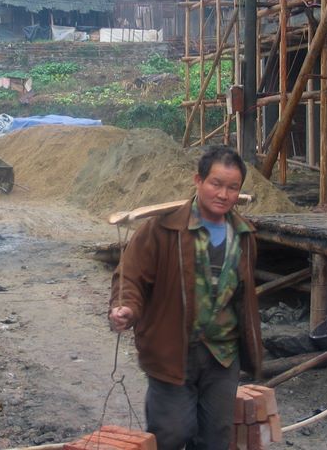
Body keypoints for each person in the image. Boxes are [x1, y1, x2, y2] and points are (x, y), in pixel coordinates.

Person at [109, 145, 263, 450]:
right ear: (198, 180)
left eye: (233, 188)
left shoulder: (244, 235)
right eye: (216, 184)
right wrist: (126, 308)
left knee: (215, 437)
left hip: (223, 353)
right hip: (172, 349)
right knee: (172, 432)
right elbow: (131, 276)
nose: (223, 194)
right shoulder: (163, 229)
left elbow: (242, 295)